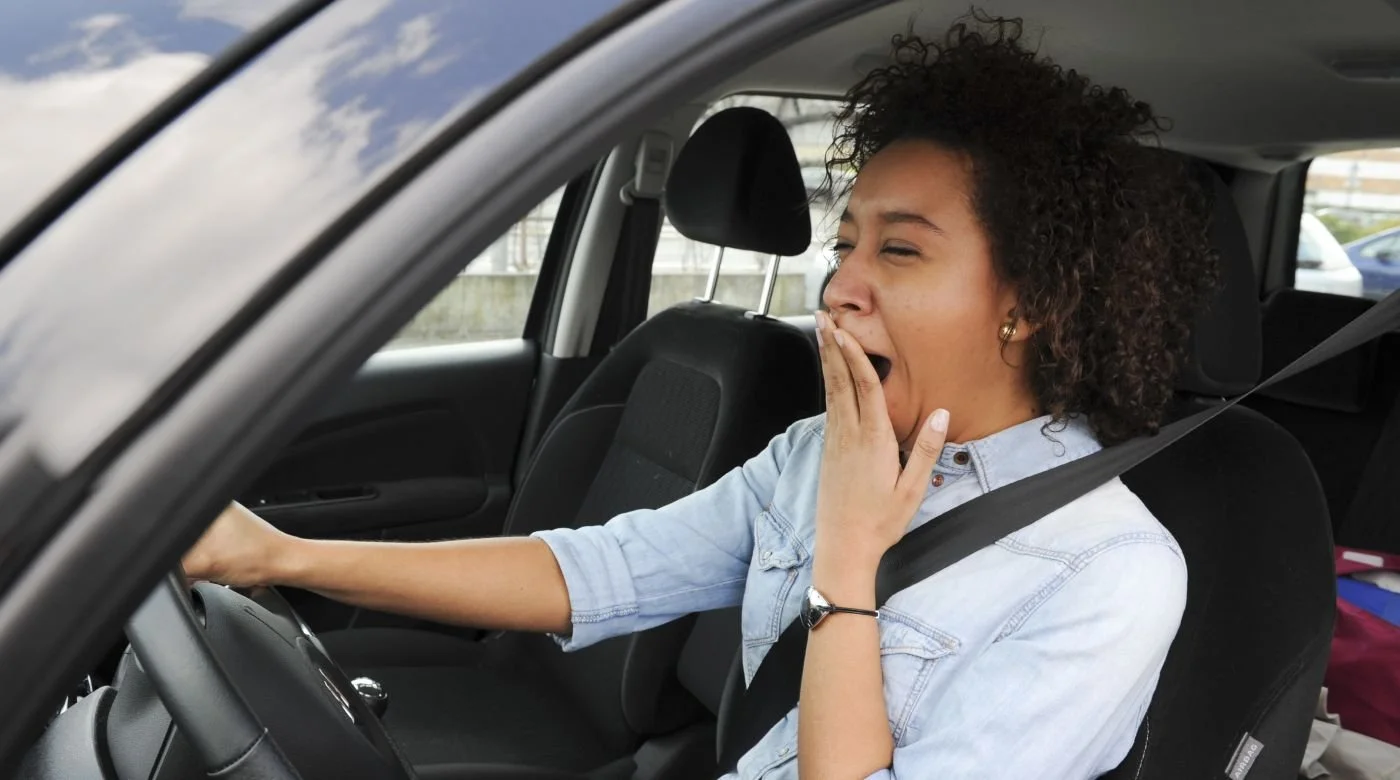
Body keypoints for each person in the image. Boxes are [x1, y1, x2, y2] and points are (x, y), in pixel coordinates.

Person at [184, 15, 1219, 779]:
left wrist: (846, 563)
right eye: (847, 240)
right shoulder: (813, 452)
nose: (842, 283)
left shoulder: (1107, 572)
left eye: (898, 248)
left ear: (1027, 301)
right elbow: (597, 571)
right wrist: (281, 555)